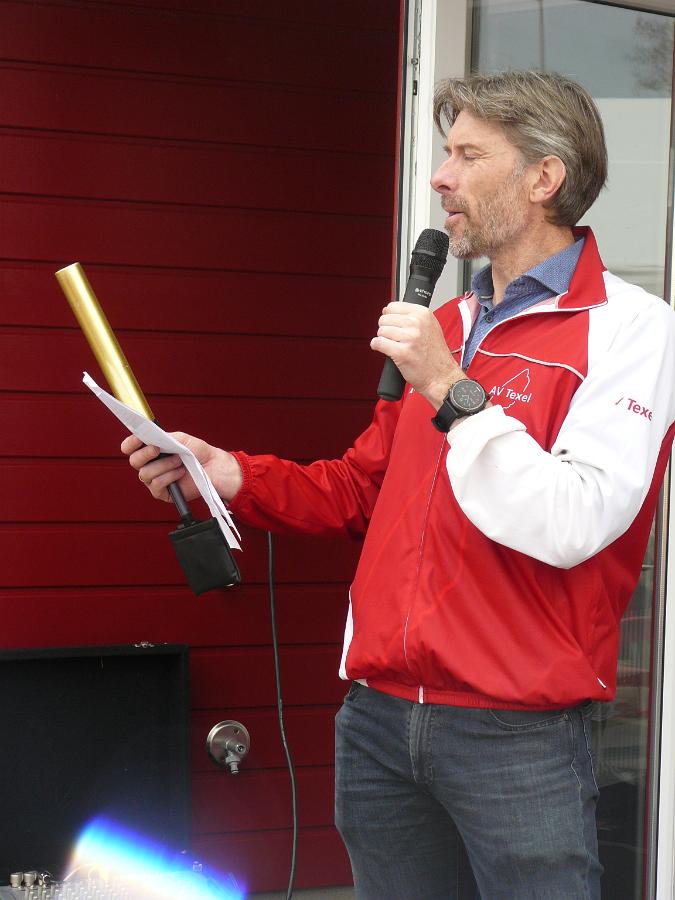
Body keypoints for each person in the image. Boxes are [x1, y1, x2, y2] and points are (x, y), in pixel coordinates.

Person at [122, 71, 675, 899]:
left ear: (543, 177)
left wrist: (450, 389)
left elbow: (575, 519)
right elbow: (361, 490)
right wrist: (224, 472)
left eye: (467, 156)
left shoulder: (632, 329)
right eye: (444, 154)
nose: (439, 177)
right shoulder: (446, 327)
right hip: (378, 720)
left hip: (514, 734)